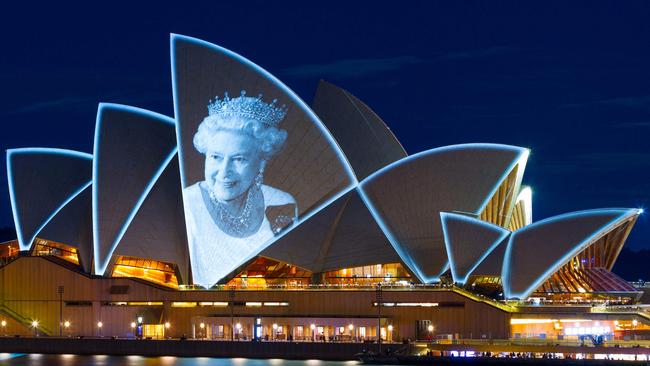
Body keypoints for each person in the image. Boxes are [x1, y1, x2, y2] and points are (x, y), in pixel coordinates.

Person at [183, 91, 297, 287]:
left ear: (261, 163)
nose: (224, 172)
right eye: (216, 157)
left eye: (239, 159)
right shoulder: (186, 204)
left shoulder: (282, 202)